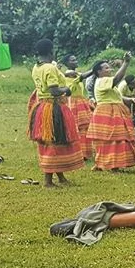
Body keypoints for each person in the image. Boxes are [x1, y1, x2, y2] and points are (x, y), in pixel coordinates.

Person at [27, 39, 84, 187]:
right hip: (53, 108)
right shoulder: (49, 68)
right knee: (54, 141)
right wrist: (66, 90)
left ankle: (60, 176)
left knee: (56, 139)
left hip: (43, 107)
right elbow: (54, 90)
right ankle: (48, 181)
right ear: (51, 51)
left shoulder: (36, 67)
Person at [86, 52, 135, 171]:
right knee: (113, 138)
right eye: (106, 68)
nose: (109, 69)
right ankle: (111, 164)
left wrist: (129, 99)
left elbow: (116, 96)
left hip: (113, 110)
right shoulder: (102, 80)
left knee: (111, 138)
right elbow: (117, 79)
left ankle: (103, 162)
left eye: (109, 67)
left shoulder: (105, 81)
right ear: (99, 72)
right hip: (108, 112)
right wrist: (126, 63)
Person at [61, 54, 94, 160]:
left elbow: (83, 75)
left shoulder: (77, 74)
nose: (75, 61)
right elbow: (82, 76)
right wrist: (95, 68)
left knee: (84, 127)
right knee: (74, 127)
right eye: (72, 60)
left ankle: (83, 152)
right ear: (67, 63)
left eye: (75, 59)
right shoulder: (68, 74)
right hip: (71, 102)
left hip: (80, 101)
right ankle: (74, 152)